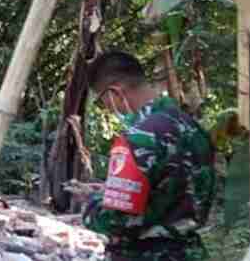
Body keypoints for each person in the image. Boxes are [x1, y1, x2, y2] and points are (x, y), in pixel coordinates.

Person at [83, 50, 217, 261]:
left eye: (104, 102)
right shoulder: (194, 129)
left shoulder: (138, 137)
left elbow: (118, 220)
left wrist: (91, 205)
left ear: (114, 92)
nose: (108, 109)